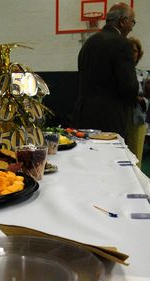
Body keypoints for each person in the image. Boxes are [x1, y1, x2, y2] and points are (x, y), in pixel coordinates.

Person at [72, 2, 138, 140]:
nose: (132, 28)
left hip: (82, 114)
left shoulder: (88, 43)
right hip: (109, 118)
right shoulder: (122, 44)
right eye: (133, 22)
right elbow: (129, 88)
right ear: (123, 21)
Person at [126, 37, 150, 168]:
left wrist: (140, 100)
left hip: (138, 122)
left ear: (139, 54)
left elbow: (147, 100)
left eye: (135, 51)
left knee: (135, 160)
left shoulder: (144, 75)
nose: (132, 53)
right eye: (129, 50)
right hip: (120, 120)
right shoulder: (118, 73)